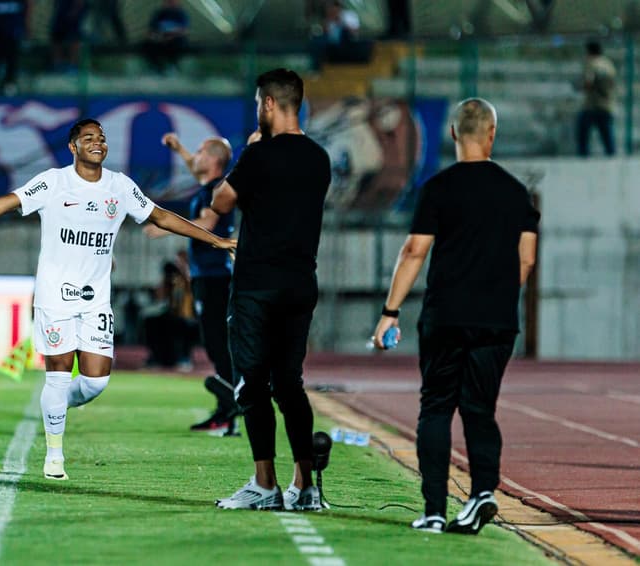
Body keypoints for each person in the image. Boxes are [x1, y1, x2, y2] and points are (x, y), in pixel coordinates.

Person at [0, 118, 235, 481]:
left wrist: (217, 241)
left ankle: (56, 406)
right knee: (57, 377)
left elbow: (161, 216)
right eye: (89, 138)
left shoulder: (119, 186)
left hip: (96, 301)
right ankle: (55, 455)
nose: (98, 143)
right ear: (73, 147)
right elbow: (2, 204)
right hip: (55, 298)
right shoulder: (54, 182)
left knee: (96, 382)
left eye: (101, 138)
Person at [371, 98, 540, 534]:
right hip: (497, 319)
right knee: (480, 410)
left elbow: (414, 251)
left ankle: (432, 509)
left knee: (437, 408)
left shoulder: (439, 188)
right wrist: (499, 296)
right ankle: (482, 492)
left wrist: (390, 311)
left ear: (452, 135)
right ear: (492, 134)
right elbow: (526, 260)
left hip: (446, 315)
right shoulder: (516, 191)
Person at [211, 68, 331, 511]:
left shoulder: (258, 157)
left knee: (252, 384)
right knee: (291, 385)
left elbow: (220, 201)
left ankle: (265, 484)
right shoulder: (320, 158)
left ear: (268, 104)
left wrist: (247, 154)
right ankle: (306, 487)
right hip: (301, 283)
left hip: (257, 285)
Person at [145, 132, 237, 434]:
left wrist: (166, 228)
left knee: (219, 346)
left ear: (212, 159)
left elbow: (207, 224)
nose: (194, 156)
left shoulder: (218, 190)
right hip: (207, 276)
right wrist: (180, 149)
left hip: (216, 277)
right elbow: (197, 167)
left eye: (199, 151)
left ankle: (230, 411)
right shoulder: (208, 185)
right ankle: (227, 410)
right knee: (214, 345)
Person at [577, 41, 616, 157]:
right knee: (606, 134)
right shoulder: (608, 64)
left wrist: (580, 86)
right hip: (607, 104)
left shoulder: (591, 63)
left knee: (582, 133)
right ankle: (611, 157)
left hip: (592, 105)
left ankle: (583, 158)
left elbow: (589, 82)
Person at [141, 0, 188, 74]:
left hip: (175, 38)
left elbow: (183, 30)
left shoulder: (180, 14)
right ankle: (156, 67)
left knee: (176, 44)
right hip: (160, 38)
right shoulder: (159, 14)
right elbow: (151, 29)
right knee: (148, 44)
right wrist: (155, 36)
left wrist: (171, 36)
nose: (170, 4)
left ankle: (173, 66)